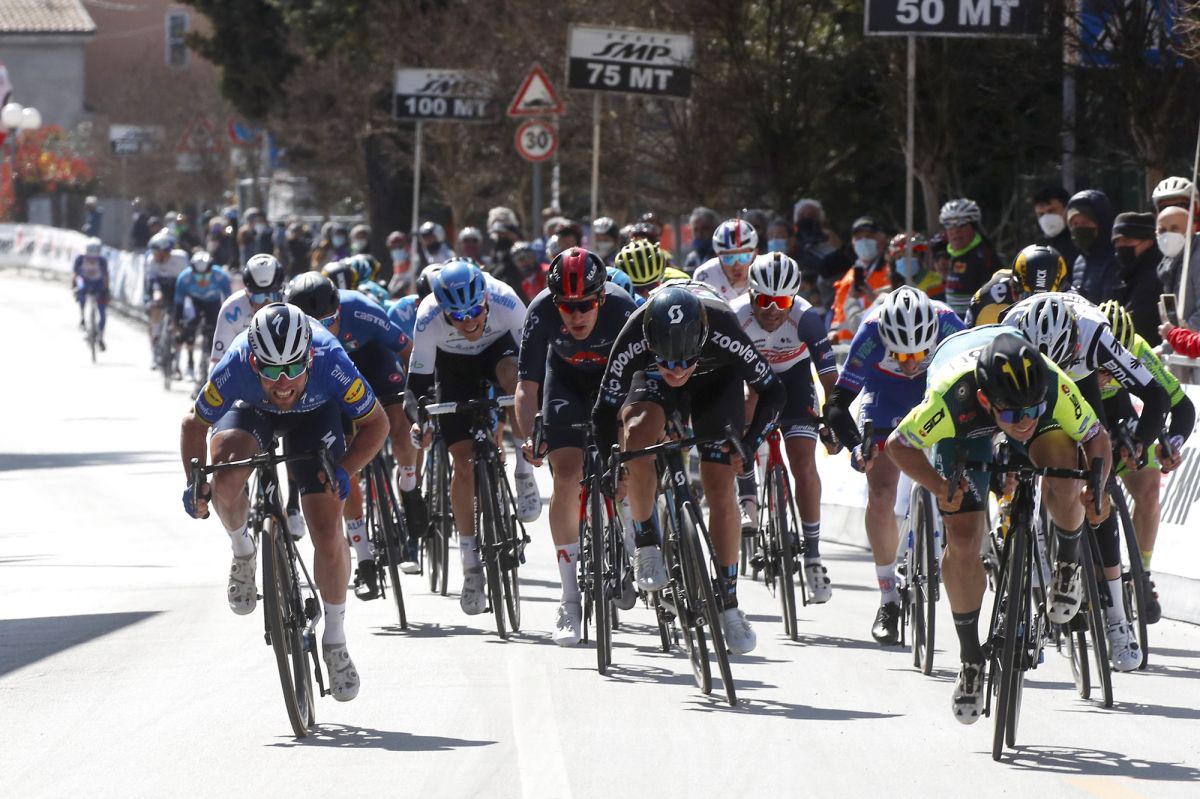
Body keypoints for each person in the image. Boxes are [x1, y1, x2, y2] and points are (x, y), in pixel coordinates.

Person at [886, 329, 1111, 724]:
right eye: (1011, 416)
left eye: (1032, 412)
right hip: (964, 428)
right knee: (963, 538)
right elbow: (897, 445)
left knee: (1065, 473)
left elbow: (1095, 436)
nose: (1022, 423)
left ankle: (1067, 566)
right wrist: (939, 487)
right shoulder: (949, 396)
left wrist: (1097, 486)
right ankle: (971, 657)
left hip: (1017, 398)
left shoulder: (1050, 384)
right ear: (988, 400)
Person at [182, 304, 390, 702]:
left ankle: (335, 639)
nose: (282, 383)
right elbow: (194, 423)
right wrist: (195, 482)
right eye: (271, 371)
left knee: (328, 526)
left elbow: (376, 423)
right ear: (254, 361)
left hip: (315, 416)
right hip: (250, 412)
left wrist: (345, 469)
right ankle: (243, 551)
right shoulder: (236, 363)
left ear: (309, 358)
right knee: (225, 472)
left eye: (292, 369)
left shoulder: (331, 359)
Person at [591, 282, 785, 655]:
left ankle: (728, 602)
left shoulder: (725, 328)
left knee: (720, 483)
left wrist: (750, 443)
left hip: (716, 380)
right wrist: (610, 467)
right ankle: (646, 541)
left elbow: (774, 392)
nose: (677, 370)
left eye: (684, 362)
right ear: (649, 342)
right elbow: (603, 412)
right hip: (650, 382)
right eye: (668, 361)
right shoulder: (634, 333)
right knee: (637, 433)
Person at [1003, 293, 1167, 673]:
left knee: (1097, 480)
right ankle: (1042, 560)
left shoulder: (1095, 335)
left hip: (1081, 382)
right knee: (1044, 464)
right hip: (1027, 383)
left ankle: (1116, 616)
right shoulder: (1008, 332)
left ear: (1075, 344)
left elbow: (1155, 394)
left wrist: (1141, 441)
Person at [824, 287, 965, 644]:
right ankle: (888, 598)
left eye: (918, 352)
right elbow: (839, 403)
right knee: (882, 491)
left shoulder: (949, 324)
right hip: (884, 399)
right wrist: (857, 447)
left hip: (936, 395)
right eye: (900, 354)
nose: (909, 362)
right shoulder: (870, 334)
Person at [514, 248, 637, 645]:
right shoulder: (540, 312)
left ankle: (634, 534)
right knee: (567, 475)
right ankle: (569, 599)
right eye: (567, 307)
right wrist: (531, 434)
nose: (576, 315)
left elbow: (645, 377)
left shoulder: (623, 309)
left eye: (584, 305)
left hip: (615, 382)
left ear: (601, 297)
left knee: (628, 458)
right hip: (564, 383)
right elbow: (526, 386)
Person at [406, 260, 538, 615]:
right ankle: (471, 566)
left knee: (516, 379)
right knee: (462, 464)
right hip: (454, 369)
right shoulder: (428, 317)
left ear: (485, 300)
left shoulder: (506, 300)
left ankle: (525, 471)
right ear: (443, 310)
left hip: (500, 354)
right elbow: (416, 388)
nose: (468, 323)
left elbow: (536, 361)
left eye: (475, 313)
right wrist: (419, 421)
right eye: (458, 316)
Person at [285, 272, 428, 587]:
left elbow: (408, 353)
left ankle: (408, 484)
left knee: (400, 423)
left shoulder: (361, 309)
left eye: (330, 320)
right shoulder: (291, 336)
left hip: (370, 359)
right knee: (345, 462)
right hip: (327, 375)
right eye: (313, 325)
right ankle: (363, 554)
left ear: (340, 310)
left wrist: (418, 398)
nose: (324, 330)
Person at [731, 252, 839, 601]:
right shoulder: (735, 316)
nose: (773, 309)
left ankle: (812, 555)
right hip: (752, 380)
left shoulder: (806, 317)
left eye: (782, 301)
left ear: (792, 298)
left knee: (804, 463)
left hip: (794, 379)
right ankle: (747, 495)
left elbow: (828, 378)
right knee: (741, 408)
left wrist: (835, 418)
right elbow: (724, 379)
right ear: (750, 295)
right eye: (764, 300)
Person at [1100, 302, 1192, 624]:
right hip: (1084, 412)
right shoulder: (1076, 346)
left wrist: (1173, 445)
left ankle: (1142, 571)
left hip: (1122, 414)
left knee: (1150, 489)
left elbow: (1182, 408)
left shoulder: (1138, 349)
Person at [964, 244, 1069, 327]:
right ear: (1013, 289)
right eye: (1028, 298)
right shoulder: (987, 299)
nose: (1036, 309)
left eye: (1046, 300)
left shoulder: (1071, 297)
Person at [829, 216, 890, 342]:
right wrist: (834, 332)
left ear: (882, 239)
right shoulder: (849, 276)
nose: (864, 241)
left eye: (869, 236)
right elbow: (838, 314)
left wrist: (873, 297)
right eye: (859, 237)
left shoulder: (890, 272)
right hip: (844, 349)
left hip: (874, 345)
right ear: (852, 242)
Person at [174, 251, 232, 383]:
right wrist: (179, 322)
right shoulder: (184, 278)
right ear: (192, 272)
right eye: (198, 277)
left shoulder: (221, 276)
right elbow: (178, 303)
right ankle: (189, 364)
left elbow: (230, 301)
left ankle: (209, 362)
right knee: (189, 328)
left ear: (212, 271)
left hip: (213, 303)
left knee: (213, 333)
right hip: (194, 302)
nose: (203, 281)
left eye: (206, 276)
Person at [939, 199, 1001, 320]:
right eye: (949, 226)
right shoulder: (951, 253)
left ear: (974, 227)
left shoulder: (983, 255)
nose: (955, 231)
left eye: (962, 225)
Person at [1110, 211, 1164, 346]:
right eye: (1117, 241)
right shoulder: (1128, 274)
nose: (1121, 246)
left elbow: (1138, 325)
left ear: (1148, 242)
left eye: (1127, 240)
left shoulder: (1156, 278)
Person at [143, 230, 190, 373]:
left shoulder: (181, 258)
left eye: (157, 252)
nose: (154, 255)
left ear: (166, 251)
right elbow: (151, 282)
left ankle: (177, 360)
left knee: (180, 322)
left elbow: (188, 281)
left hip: (178, 287)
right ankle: (156, 342)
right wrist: (155, 296)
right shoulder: (151, 260)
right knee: (154, 308)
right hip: (160, 286)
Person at [1066, 189, 1119, 303]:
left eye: (1085, 222)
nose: (1079, 228)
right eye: (1075, 224)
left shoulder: (1115, 260)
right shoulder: (1079, 261)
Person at [1154, 205, 1200, 329]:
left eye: (1174, 229)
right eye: (1162, 230)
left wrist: (1178, 340)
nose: (1168, 235)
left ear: (1192, 228)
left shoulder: (1197, 258)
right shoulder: (1168, 263)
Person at [693, 218, 759, 301]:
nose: (737, 266)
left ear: (755, 254)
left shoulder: (767, 270)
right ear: (718, 256)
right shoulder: (705, 276)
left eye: (744, 257)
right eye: (728, 258)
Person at [613, 239, 688, 303]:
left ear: (662, 278)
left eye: (652, 287)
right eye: (637, 289)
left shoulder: (680, 279)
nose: (646, 294)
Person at [72, 237, 109, 347]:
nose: (92, 260)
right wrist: (74, 287)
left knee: (102, 312)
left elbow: (106, 277)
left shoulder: (102, 261)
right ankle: (83, 317)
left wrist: (106, 290)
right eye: (89, 258)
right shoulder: (80, 259)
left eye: (94, 258)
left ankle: (101, 336)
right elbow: (75, 275)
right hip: (85, 281)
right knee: (81, 290)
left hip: (98, 284)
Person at [1031, 185, 1080, 267]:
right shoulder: (1038, 247)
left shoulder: (1080, 243)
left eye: (1051, 211)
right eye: (1041, 214)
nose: (1046, 218)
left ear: (1067, 209)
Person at [887, 232, 943, 300]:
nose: (904, 260)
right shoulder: (898, 286)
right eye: (899, 257)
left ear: (919, 255)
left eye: (908, 255)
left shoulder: (936, 282)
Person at [683, 207, 719, 273]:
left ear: (714, 228)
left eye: (705, 229)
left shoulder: (721, 256)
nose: (700, 234)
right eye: (696, 230)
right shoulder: (691, 259)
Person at [386, 230, 415, 296]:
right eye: (393, 247)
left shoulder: (415, 260)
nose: (397, 250)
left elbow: (409, 278)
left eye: (400, 247)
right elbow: (396, 278)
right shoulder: (397, 264)